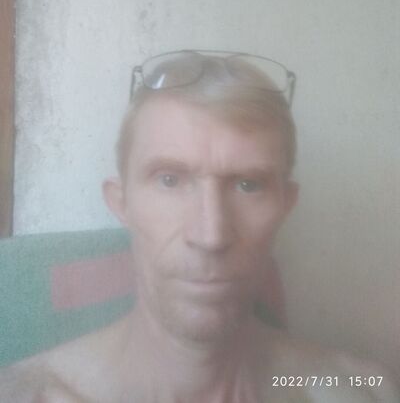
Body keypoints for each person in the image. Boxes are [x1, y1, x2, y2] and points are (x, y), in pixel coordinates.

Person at [1, 50, 398, 402]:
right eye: (169, 180)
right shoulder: (25, 394)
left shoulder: (364, 391)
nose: (211, 236)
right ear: (121, 203)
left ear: (284, 205)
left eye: (248, 185)